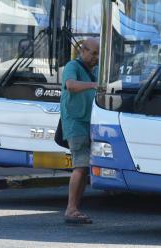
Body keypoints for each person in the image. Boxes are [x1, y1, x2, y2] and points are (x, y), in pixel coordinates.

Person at [60, 37, 99, 224]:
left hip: (89, 123)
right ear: (82, 51)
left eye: (98, 54)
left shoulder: (96, 70)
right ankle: (71, 208)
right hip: (75, 123)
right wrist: (93, 85)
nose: (96, 57)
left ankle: (75, 208)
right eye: (93, 53)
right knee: (80, 166)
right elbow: (71, 86)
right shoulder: (72, 67)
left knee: (84, 168)